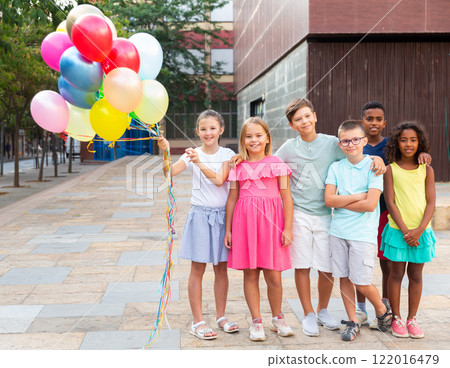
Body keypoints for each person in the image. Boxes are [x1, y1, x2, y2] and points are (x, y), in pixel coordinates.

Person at [275, 98, 385, 337]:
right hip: (299, 214)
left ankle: (323, 309)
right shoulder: (287, 148)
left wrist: (377, 159)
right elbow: (268, 162)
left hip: (327, 216)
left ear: (315, 116)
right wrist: (239, 158)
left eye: (307, 116)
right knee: (302, 266)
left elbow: (356, 150)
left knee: (326, 268)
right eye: (297, 119)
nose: (303, 121)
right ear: (292, 125)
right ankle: (308, 314)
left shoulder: (332, 143)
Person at [157, 110, 239, 340]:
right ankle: (198, 321)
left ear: (221, 130)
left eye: (212, 128)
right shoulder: (192, 154)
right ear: (197, 131)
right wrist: (165, 153)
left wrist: (199, 162)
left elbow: (219, 180)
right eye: (203, 129)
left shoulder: (227, 154)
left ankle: (221, 316)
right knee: (198, 269)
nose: (208, 133)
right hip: (200, 217)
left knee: (221, 269)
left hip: (222, 218)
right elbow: (169, 174)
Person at [356, 102, 432, 329]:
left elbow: (410, 150)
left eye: (379, 119)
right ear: (362, 121)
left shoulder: (392, 144)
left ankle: (388, 313)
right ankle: (360, 310)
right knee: (360, 261)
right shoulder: (355, 144)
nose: (374, 123)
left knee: (388, 265)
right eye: (369, 119)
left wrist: (424, 153)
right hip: (362, 212)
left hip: (386, 214)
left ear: (384, 123)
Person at [225, 117, 294, 341]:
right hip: (245, 226)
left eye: (258, 135)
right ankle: (256, 321)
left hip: (273, 226)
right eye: (249, 136)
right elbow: (232, 199)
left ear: (267, 138)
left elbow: (286, 197)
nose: (253, 140)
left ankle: (278, 317)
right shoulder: (238, 167)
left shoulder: (276, 163)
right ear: (243, 141)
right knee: (250, 274)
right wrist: (228, 230)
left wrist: (288, 228)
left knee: (274, 276)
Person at [324, 120, 392, 342]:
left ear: (364, 141)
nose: (350, 144)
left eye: (355, 139)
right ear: (340, 143)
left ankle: (382, 310)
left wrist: (341, 202)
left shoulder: (374, 167)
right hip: (338, 231)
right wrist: (358, 196)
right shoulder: (336, 168)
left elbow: (370, 205)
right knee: (343, 278)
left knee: (362, 281)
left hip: (362, 234)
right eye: (345, 140)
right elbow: (328, 200)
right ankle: (353, 320)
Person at [381, 122, 436, 339]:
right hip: (398, 231)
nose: (408, 144)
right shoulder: (390, 169)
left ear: (419, 142)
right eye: (404, 140)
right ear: (397, 142)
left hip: (422, 232)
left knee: (416, 275)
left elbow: (431, 202)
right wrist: (406, 231)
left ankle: (412, 319)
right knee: (395, 274)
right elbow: (390, 202)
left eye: (413, 140)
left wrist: (419, 230)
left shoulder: (427, 169)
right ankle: (397, 318)